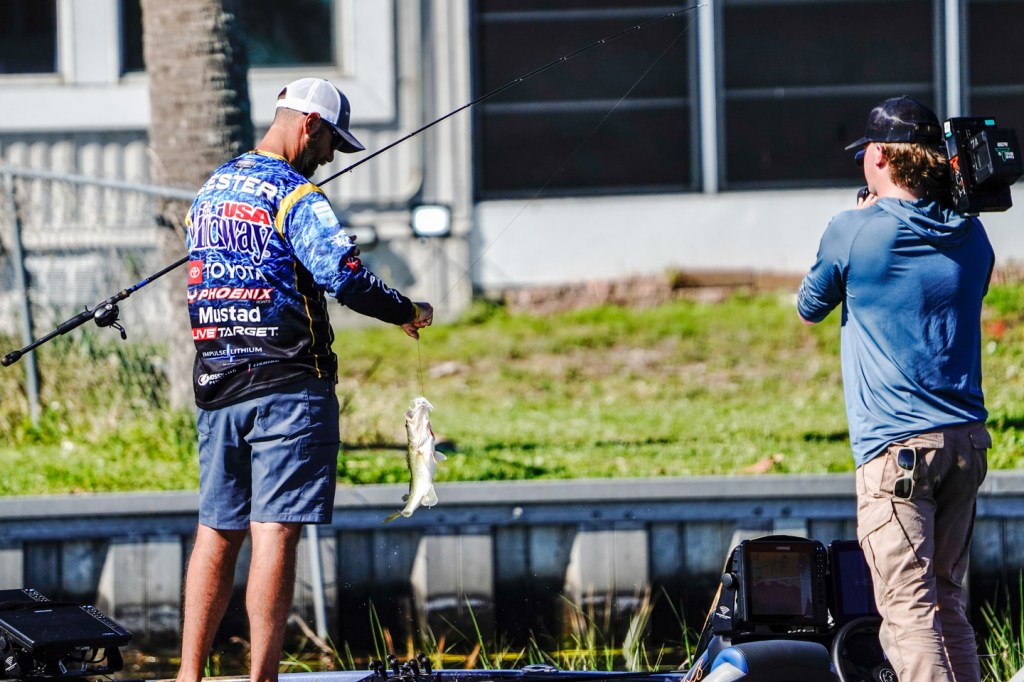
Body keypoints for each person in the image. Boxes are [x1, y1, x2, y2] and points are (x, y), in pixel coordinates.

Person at [177, 77, 433, 682]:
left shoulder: (211, 190)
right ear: (309, 124)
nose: (330, 158)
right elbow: (344, 277)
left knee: (217, 529)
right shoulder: (297, 196)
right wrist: (406, 309)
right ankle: (261, 679)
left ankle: (188, 677)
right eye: (330, 144)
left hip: (217, 383)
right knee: (274, 530)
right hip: (288, 386)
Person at [797, 96, 993, 682]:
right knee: (947, 601)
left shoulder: (854, 230)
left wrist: (861, 217)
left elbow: (809, 306)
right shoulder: (973, 234)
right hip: (965, 444)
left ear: (879, 156)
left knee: (908, 610)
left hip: (897, 452)